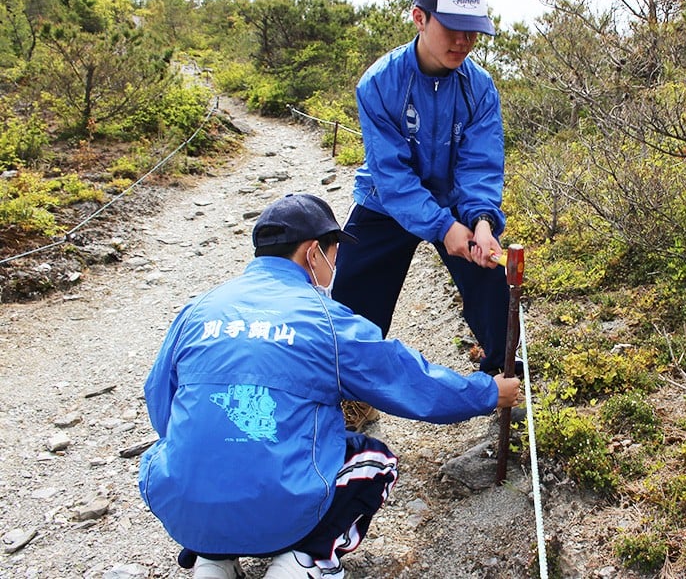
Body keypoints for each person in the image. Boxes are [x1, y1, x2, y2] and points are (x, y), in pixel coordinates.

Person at [138, 193, 522, 579]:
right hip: (280, 509)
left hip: (185, 508)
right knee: (377, 463)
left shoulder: (198, 309)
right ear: (312, 253)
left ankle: (211, 559)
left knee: (185, 453)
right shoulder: (325, 320)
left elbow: (161, 402)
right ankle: (304, 560)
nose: (336, 264)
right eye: (334, 252)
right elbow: (407, 380)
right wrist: (488, 393)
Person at [331, 0, 518, 378]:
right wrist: (441, 227)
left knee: (493, 282)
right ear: (420, 18)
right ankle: (352, 389)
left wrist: (481, 222)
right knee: (351, 300)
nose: (462, 41)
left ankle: (502, 382)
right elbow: (392, 175)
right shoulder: (380, 83)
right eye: (452, 28)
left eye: (472, 32)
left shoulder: (480, 88)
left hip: (456, 201)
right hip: (385, 202)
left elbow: (480, 165)